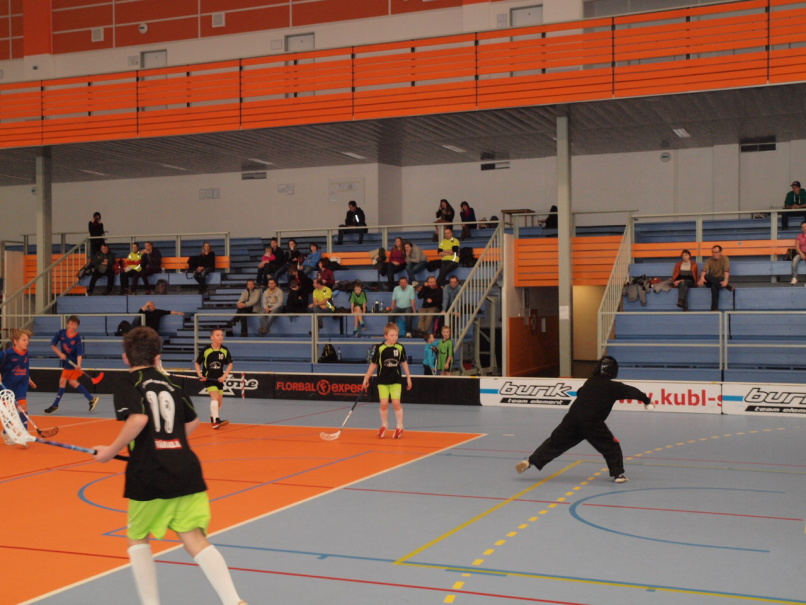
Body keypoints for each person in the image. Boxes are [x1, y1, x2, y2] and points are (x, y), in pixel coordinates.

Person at [92, 327, 248, 605]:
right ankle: (234, 601)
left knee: (138, 538)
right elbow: (193, 421)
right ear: (157, 358)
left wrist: (110, 451)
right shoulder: (171, 384)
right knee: (194, 539)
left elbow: (138, 419)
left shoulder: (128, 382)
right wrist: (168, 442)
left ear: (125, 358)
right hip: (185, 468)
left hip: (149, 474)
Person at [515, 356, 652, 484]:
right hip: (592, 423)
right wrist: (647, 401)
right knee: (611, 446)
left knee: (555, 443)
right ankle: (618, 475)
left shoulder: (589, 382)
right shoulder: (615, 387)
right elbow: (634, 392)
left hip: (572, 419)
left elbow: (579, 392)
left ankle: (530, 461)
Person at [362, 322, 412, 439]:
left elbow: (404, 363)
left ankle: (399, 426)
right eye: (392, 335)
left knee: (396, 403)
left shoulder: (400, 347)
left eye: (396, 335)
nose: (395, 337)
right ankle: (384, 425)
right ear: (386, 336)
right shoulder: (380, 348)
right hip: (382, 381)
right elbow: (374, 364)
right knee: (384, 404)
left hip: (396, 380)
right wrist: (366, 378)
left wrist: (408, 377)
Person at [44, 316, 100, 414]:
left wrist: (79, 365)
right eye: (71, 324)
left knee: (62, 381)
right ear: (67, 324)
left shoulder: (77, 338)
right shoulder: (60, 333)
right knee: (72, 382)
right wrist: (60, 354)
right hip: (67, 361)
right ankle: (91, 398)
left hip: (72, 362)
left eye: (76, 325)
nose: (73, 326)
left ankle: (55, 405)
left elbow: (79, 353)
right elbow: (52, 345)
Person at [0, 328, 36, 439]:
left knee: (23, 406)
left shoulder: (25, 353)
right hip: (7, 386)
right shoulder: (6, 354)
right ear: (15, 341)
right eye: (24, 340)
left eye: (27, 340)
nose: (27, 342)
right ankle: (6, 432)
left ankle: (25, 434)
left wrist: (28, 378)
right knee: (9, 413)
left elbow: (24, 367)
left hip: (21, 384)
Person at [194, 328, 233, 429]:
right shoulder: (206, 350)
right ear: (212, 337)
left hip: (219, 379)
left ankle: (213, 416)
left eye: (221, 335)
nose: (220, 337)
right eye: (217, 335)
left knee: (219, 403)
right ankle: (216, 421)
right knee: (214, 399)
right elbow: (197, 363)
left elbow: (230, 364)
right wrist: (200, 375)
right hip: (208, 379)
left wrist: (224, 376)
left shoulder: (224, 350)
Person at [697, 244, 732, 311]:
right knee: (706, 276)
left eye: (716, 252)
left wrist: (726, 280)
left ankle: (714, 308)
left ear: (720, 252)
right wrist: (702, 278)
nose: (714, 254)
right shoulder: (709, 260)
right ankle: (727, 286)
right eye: (713, 252)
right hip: (712, 280)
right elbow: (704, 270)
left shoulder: (725, 259)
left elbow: (726, 271)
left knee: (714, 286)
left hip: (720, 279)